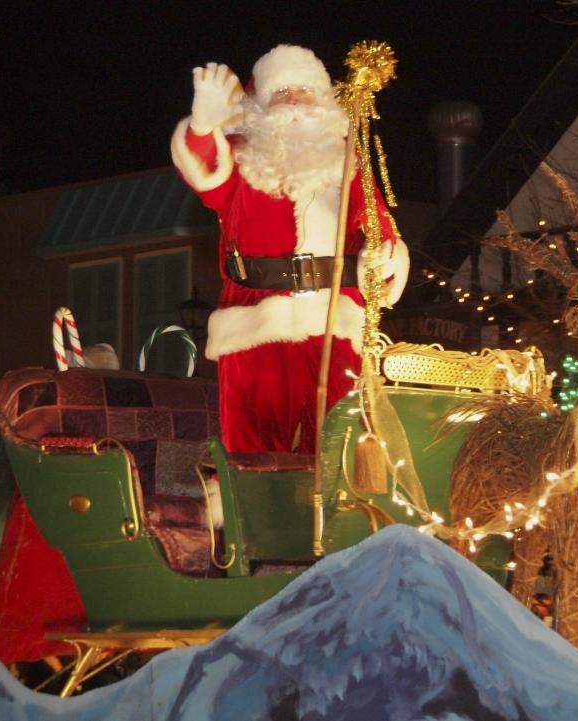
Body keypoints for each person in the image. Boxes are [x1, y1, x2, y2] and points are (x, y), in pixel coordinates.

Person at [171, 45, 409, 454]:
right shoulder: (242, 160)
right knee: (255, 448)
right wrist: (202, 124)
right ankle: (258, 514)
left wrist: (384, 255)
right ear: (259, 105)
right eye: (281, 92)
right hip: (255, 323)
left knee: (341, 447)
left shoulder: (348, 165)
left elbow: (378, 226)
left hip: (336, 322)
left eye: (304, 89)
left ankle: (337, 518)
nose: (294, 99)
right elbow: (202, 169)